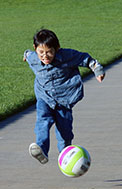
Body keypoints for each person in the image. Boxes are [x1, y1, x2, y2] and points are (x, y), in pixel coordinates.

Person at [23, 29, 105, 164]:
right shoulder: (34, 57)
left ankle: (66, 155)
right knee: (43, 119)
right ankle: (42, 149)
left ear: (57, 48)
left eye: (49, 52)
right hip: (45, 97)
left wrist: (98, 70)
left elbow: (86, 59)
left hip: (65, 99)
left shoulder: (67, 56)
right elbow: (28, 54)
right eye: (41, 52)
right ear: (35, 49)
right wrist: (26, 55)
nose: (45, 56)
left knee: (64, 130)